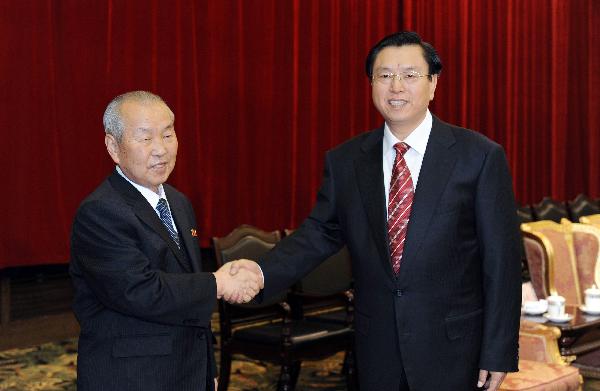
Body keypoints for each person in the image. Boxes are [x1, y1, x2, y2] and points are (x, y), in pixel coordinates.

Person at [232, 31, 522, 390]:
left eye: (410, 75)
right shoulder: (346, 161)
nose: (396, 86)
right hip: (377, 348)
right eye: (384, 75)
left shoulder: (478, 157)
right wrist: (262, 273)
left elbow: (502, 262)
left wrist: (498, 350)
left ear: (433, 83)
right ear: (371, 83)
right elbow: (318, 233)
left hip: (454, 349)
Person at [69, 91, 261, 391]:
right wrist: (218, 283)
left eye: (168, 135)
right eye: (145, 139)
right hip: (132, 376)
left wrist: (206, 367)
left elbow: (188, 287)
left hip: (186, 369)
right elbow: (139, 290)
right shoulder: (100, 211)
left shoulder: (179, 202)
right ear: (113, 146)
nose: (161, 149)